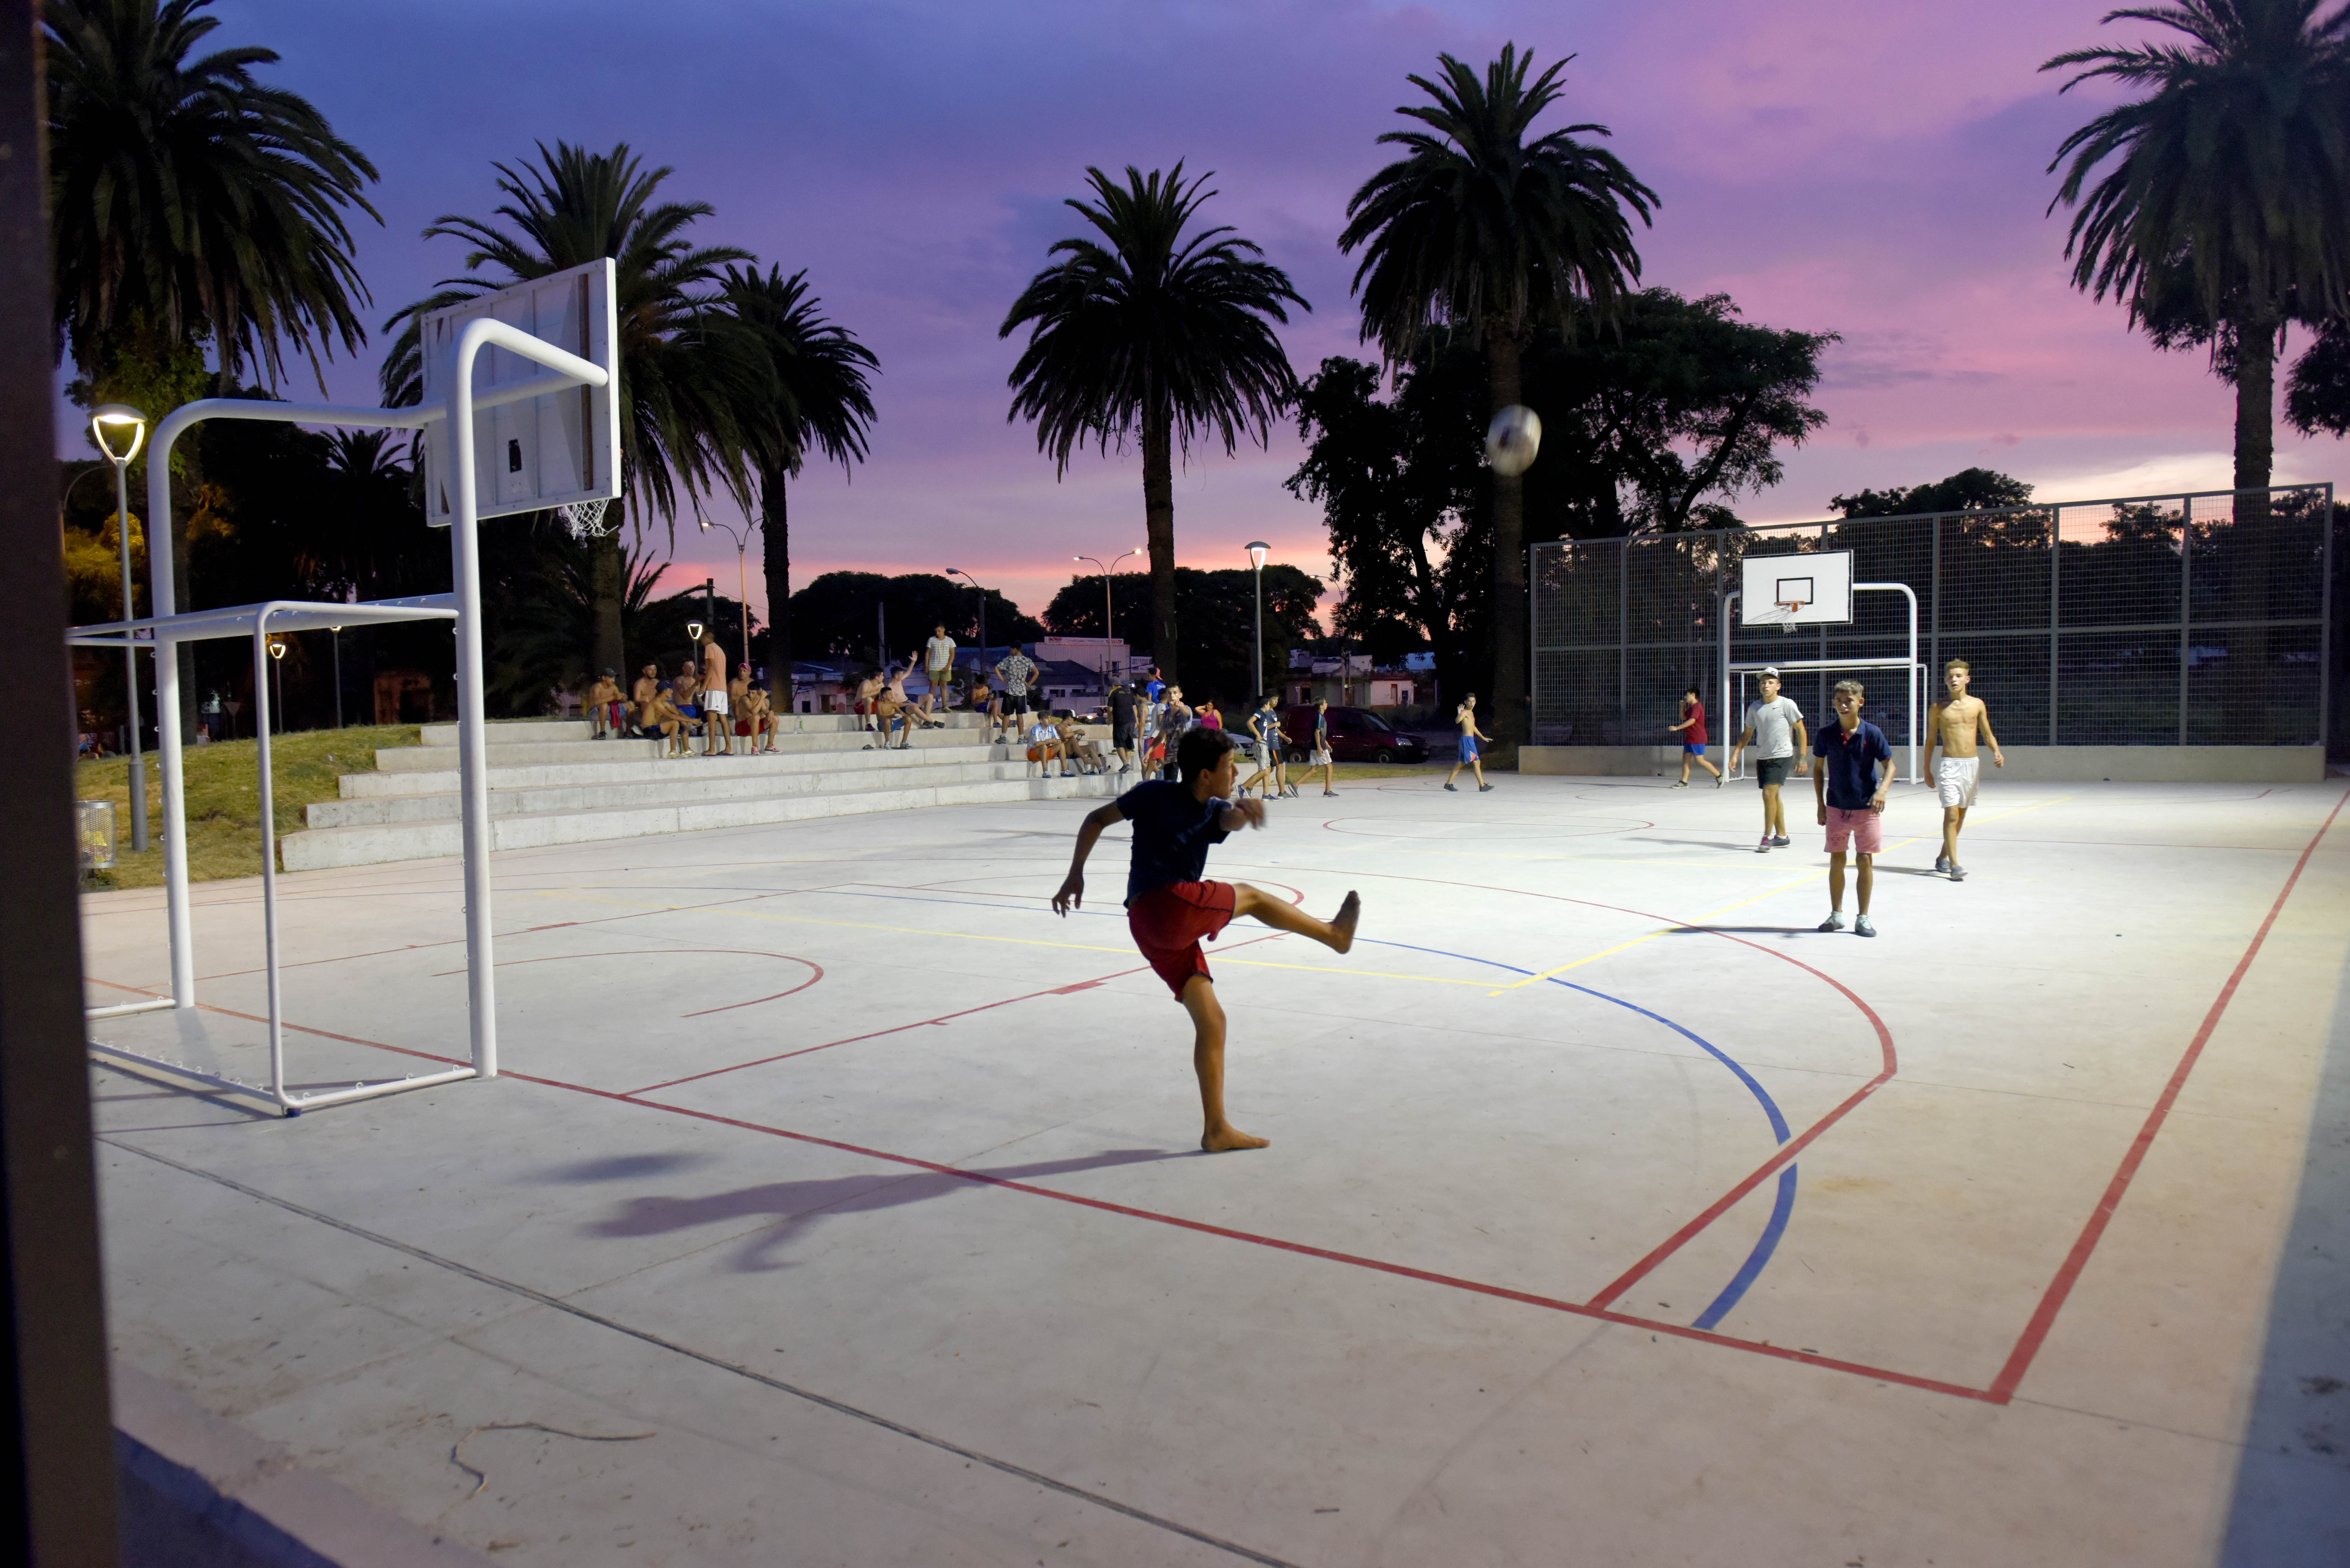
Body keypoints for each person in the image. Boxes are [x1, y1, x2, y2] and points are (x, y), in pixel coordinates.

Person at [1052, 727, 1362, 1152]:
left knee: (1212, 1020)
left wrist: (1243, 814)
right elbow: (1096, 819)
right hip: (1166, 907)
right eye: (1230, 766)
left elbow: (1227, 818)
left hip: (1148, 927)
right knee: (1250, 896)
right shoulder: (1153, 794)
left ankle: (1216, 1129)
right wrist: (1075, 872)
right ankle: (1333, 935)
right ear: (1204, 774)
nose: (1235, 773)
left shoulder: (1213, 807)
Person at [1812, 679, 1892, 937]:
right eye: (1839, 701)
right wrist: (1821, 805)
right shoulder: (1826, 734)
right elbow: (1817, 769)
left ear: (1860, 702)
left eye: (1849, 700)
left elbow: (1890, 765)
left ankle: (1863, 918)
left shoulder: (1871, 733)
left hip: (1866, 809)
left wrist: (1882, 790)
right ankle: (1836, 914)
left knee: (1864, 859)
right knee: (1837, 858)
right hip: (1836, 807)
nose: (1843, 705)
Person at [1923, 659, 2004, 882]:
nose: (1954, 679)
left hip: (1971, 766)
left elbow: (1987, 733)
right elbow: (1930, 740)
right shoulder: (1938, 708)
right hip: (1949, 765)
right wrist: (1926, 770)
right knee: (1950, 814)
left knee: (1959, 816)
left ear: (1967, 679)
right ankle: (1955, 865)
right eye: (1950, 676)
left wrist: (1996, 752)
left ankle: (1942, 858)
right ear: (1946, 680)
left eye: (1958, 676)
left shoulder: (1977, 704)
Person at [1728, 668, 1808, 852]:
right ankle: (1782, 836)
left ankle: (1767, 837)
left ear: (1778, 686)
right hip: (1763, 757)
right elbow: (1747, 733)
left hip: (1782, 756)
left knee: (1768, 795)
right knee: (1774, 797)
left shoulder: (1787, 705)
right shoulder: (1755, 707)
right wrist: (1736, 753)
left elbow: (1801, 731)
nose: (1766, 685)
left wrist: (1802, 758)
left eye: (1771, 682)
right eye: (1763, 683)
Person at [1669, 685, 1723, 787]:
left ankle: (1719, 775)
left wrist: (1677, 728)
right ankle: (1684, 782)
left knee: (1700, 761)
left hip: (1698, 738)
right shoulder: (1692, 708)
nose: (1686, 697)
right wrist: (1683, 707)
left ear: (1693, 695)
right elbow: (1684, 717)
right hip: (1690, 739)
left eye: (1687, 695)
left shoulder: (1698, 707)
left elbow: (1692, 721)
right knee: (1686, 759)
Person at [1444, 694, 1494, 792]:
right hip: (1467, 741)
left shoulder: (1471, 714)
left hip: (1470, 741)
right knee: (1476, 762)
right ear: (1466, 702)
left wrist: (1483, 738)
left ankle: (1449, 784)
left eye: (1474, 701)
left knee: (1461, 763)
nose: (1472, 703)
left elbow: (1473, 727)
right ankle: (1482, 785)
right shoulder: (1465, 713)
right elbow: (1458, 721)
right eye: (1470, 701)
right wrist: (1459, 714)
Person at [1240, 695, 1281, 798]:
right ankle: (1243, 787)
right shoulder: (1260, 713)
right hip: (1261, 745)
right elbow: (1250, 722)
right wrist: (1258, 735)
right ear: (1265, 705)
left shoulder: (1264, 715)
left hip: (1264, 745)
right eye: (1268, 705)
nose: (1269, 707)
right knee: (1264, 770)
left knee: (1267, 770)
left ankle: (1266, 794)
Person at [995, 647, 1038, 742]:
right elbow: (1036, 673)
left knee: (1007, 715)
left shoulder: (1009, 660)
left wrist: (1003, 680)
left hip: (1010, 691)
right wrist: (1029, 684)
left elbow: (997, 669)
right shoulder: (1027, 660)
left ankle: (1003, 737)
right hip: (1022, 692)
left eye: (1011, 649)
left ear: (1015, 649)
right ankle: (1021, 738)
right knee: (1020, 715)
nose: (1010, 651)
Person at [698, 634, 730, 755]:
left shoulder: (710, 648)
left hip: (714, 687)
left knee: (712, 718)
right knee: (723, 718)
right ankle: (729, 747)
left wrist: (704, 685)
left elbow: (711, 668)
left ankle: (712, 749)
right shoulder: (720, 650)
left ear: (706, 639)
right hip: (723, 688)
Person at [922, 624, 957, 719]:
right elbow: (928, 653)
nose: (938, 633)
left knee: (944, 686)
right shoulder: (932, 640)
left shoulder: (950, 641)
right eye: (936, 632)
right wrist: (927, 666)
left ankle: (945, 706)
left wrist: (948, 666)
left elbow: (952, 655)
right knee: (933, 686)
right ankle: (929, 707)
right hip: (934, 667)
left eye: (939, 631)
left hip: (945, 667)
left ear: (943, 630)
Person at [1305, 698, 1337, 797]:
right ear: (1321, 706)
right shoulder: (1320, 717)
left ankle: (1295, 785)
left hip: (1316, 746)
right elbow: (1317, 733)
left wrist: (1328, 744)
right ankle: (1328, 791)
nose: (1327, 704)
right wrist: (1320, 747)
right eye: (1325, 703)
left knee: (1313, 769)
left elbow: (1322, 735)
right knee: (1329, 767)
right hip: (1320, 747)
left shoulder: (1320, 717)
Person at [1108, 680, 1142, 773]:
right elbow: (1134, 707)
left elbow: (1110, 709)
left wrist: (1109, 719)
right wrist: (1137, 721)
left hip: (1120, 721)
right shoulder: (1129, 692)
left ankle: (1126, 764)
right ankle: (1127, 765)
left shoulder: (1114, 692)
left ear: (1113, 685)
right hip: (1131, 721)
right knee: (1128, 743)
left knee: (1119, 744)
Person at [586, 669, 623, 740]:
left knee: (630, 705)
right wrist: (614, 697)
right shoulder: (597, 687)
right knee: (604, 705)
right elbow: (595, 703)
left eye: (614, 678)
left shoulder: (614, 687)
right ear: (604, 678)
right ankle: (602, 732)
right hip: (595, 712)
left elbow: (619, 699)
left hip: (609, 711)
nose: (613, 680)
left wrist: (623, 698)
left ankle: (628, 732)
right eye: (611, 678)